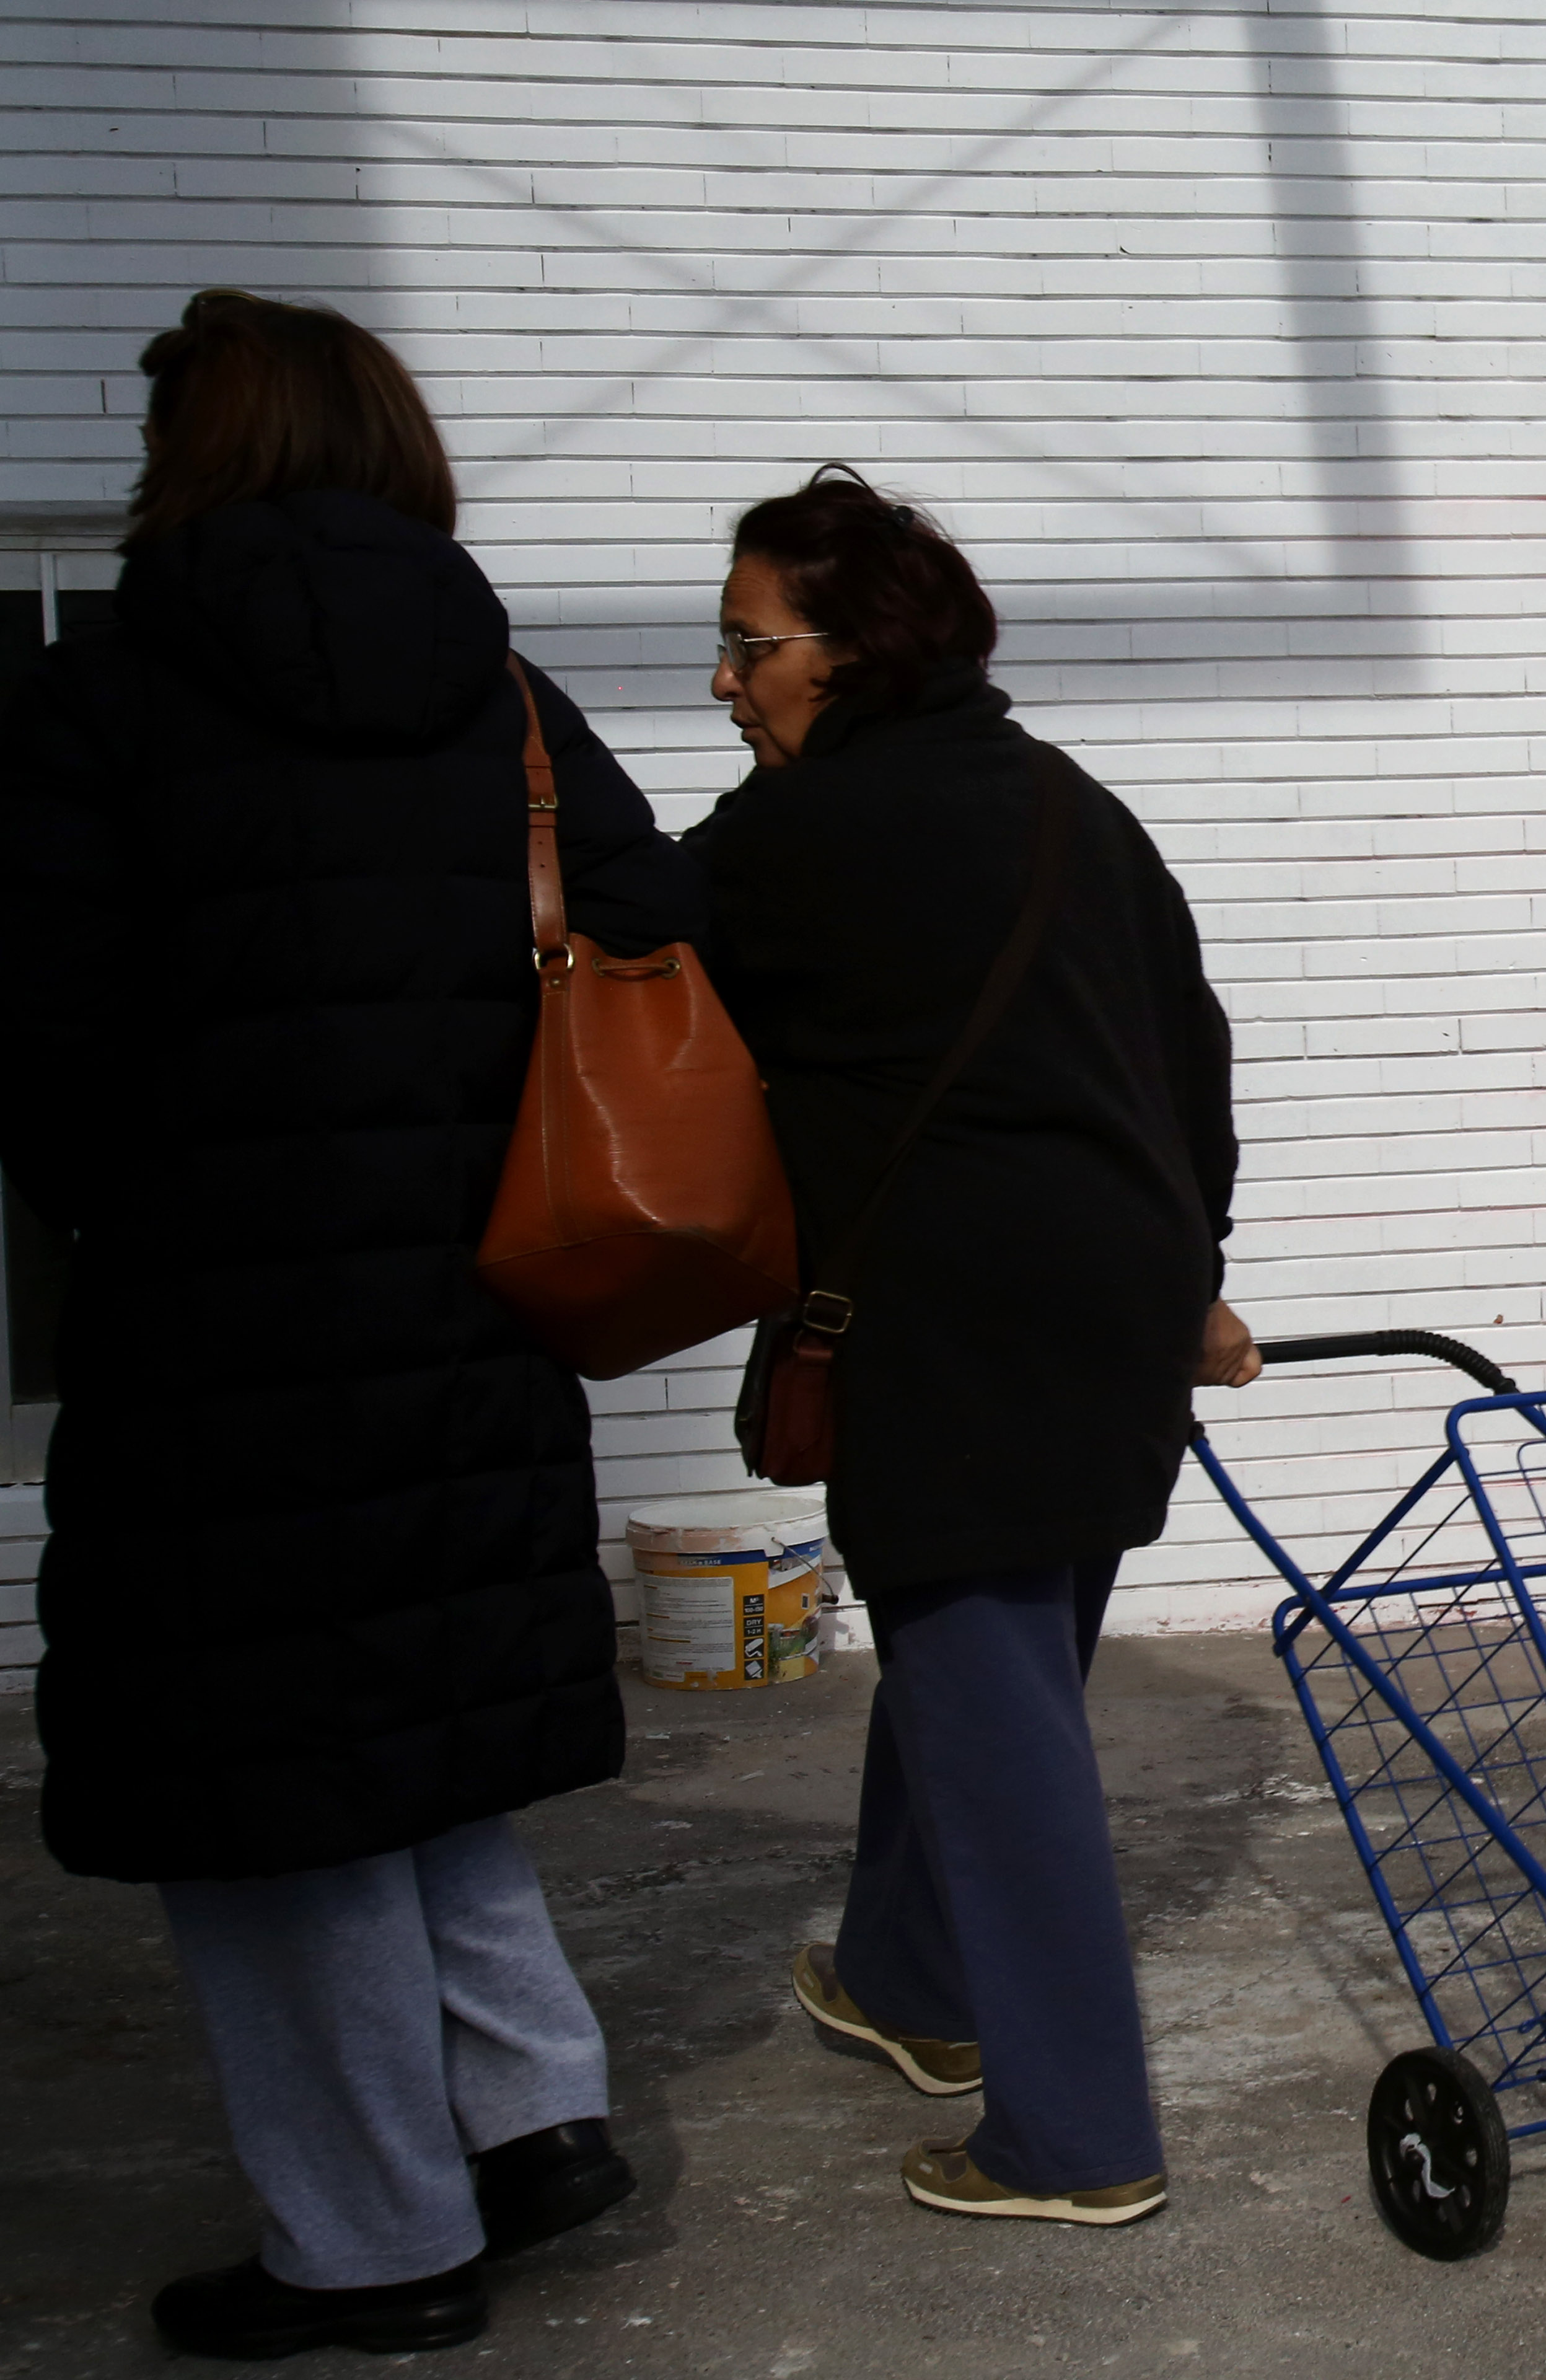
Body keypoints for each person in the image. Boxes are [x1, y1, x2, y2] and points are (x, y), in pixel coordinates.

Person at [0, 291, 698, 2355]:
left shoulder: (97, 700)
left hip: (219, 1342)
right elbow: (660, 935)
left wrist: (168, 1213)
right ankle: (532, 2111)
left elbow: (36, 1043)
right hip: (475, 1313)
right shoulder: (504, 701)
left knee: (267, 1793)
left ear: (192, 450)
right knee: (403, 1735)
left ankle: (377, 2243)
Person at [687, 465, 1253, 2226]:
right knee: (990, 1654)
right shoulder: (1075, 808)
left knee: (994, 1705)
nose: (727, 680)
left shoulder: (791, 842)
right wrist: (1192, 1276)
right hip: (1113, 1310)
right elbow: (1193, 1056)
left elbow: (644, 991)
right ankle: (911, 1981)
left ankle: (1077, 2135)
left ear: (848, 654)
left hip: (953, 1329)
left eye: (747, 644)